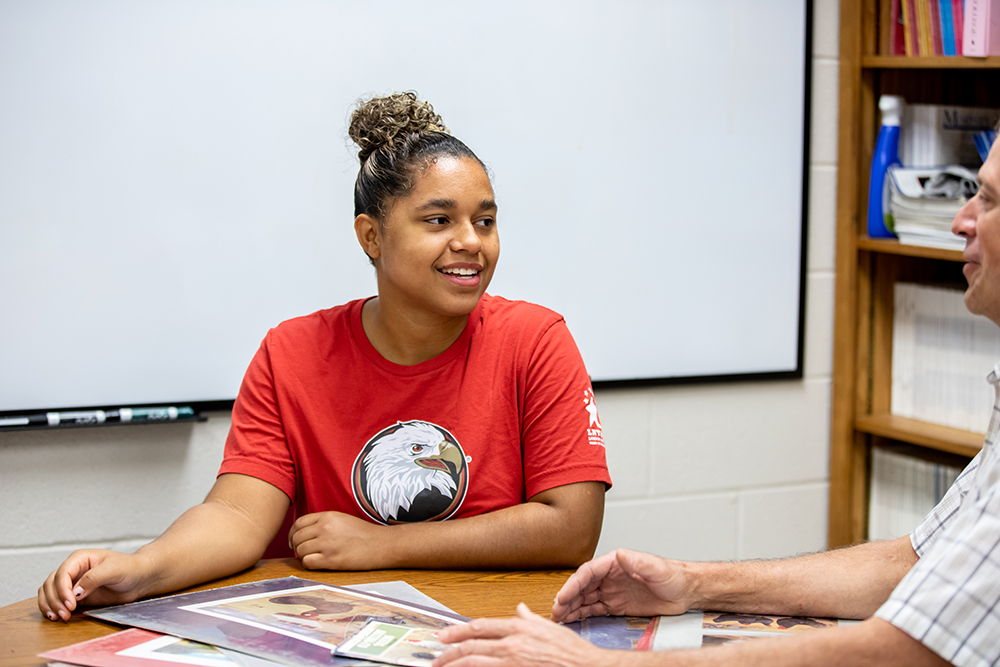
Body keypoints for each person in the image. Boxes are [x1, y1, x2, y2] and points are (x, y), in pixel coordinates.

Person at [38, 92, 610, 622]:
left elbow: (570, 527)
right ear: (371, 237)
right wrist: (140, 570)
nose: (472, 242)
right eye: (439, 220)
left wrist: (383, 545)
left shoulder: (536, 338)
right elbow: (237, 516)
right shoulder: (291, 352)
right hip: (341, 632)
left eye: (485, 221)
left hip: (488, 631)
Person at [433, 137, 1000, 667]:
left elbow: (906, 651)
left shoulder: (532, 333)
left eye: (990, 200)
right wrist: (695, 582)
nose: (960, 220)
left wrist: (598, 664)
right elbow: (915, 563)